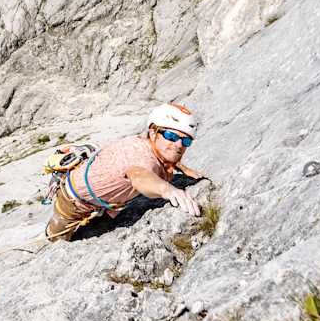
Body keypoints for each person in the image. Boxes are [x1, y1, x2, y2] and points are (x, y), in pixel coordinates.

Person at [45, 103, 205, 242]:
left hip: (101, 199)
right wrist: (167, 190)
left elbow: (166, 156)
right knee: (58, 235)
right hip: (72, 199)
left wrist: (182, 168)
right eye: (171, 135)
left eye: (186, 141)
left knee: (101, 224)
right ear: (153, 132)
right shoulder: (140, 156)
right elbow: (139, 176)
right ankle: (51, 234)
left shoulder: (155, 148)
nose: (178, 145)